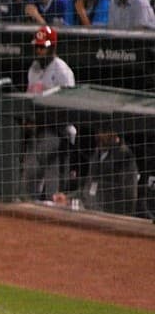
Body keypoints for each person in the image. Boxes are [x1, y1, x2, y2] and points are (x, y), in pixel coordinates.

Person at [22, 26, 76, 199]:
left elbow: (70, 107)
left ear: (52, 47)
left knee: (54, 187)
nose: (39, 51)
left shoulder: (62, 71)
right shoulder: (34, 69)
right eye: (37, 47)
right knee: (29, 174)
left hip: (58, 132)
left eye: (42, 47)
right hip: (38, 131)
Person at [62, 122, 139, 215]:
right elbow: (88, 186)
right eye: (99, 131)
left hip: (110, 217)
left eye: (104, 132)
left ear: (114, 133)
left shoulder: (125, 158)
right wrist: (67, 197)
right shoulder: (97, 153)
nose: (99, 135)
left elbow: (129, 197)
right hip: (89, 211)